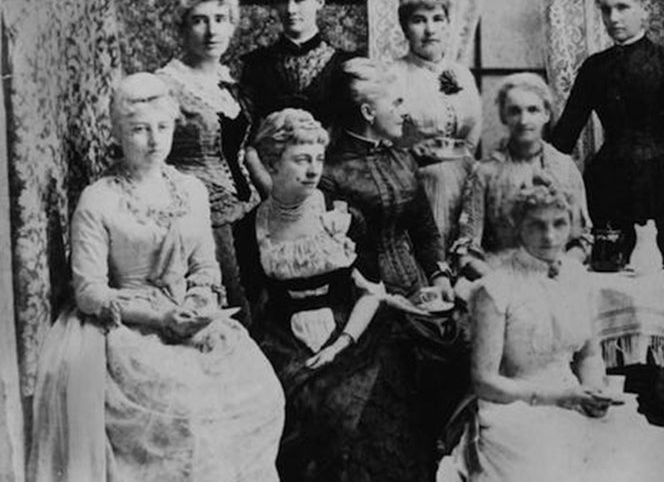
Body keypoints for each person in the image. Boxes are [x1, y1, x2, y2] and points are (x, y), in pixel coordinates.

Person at [27, 73, 284, 482]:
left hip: (188, 316)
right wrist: (159, 319)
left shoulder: (191, 190)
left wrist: (200, 304)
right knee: (182, 412)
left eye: (162, 128)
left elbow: (205, 267)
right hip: (127, 327)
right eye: (139, 130)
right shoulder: (99, 199)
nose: (153, 141)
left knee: (259, 392)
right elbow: (89, 291)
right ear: (117, 132)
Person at [461, 177, 664, 481]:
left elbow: (588, 354)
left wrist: (594, 392)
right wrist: (558, 397)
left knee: (649, 457)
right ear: (517, 226)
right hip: (516, 411)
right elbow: (484, 381)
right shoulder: (495, 288)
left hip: (575, 404)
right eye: (537, 225)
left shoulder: (577, 278)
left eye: (559, 223)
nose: (550, 235)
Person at [248, 108, 434, 481]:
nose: (314, 170)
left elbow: (372, 291)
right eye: (301, 160)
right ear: (272, 161)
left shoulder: (343, 218)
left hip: (353, 331)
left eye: (318, 158)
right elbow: (255, 299)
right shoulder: (249, 227)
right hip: (283, 339)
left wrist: (339, 344)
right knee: (287, 403)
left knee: (347, 409)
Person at [319, 57, 468, 474]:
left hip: (419, 293)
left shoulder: (402, 159)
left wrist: (439, 276)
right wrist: (388, 300)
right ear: (368, 112)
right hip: (359, 307)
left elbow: (424, 229)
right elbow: (334, 263)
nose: (405, 112)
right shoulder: (329, 173)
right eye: (396, 101)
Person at [548, 0, 664, 264]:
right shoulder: (594, 68)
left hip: (661, 184)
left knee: (655, 266)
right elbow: (564, 137)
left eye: (622, 7)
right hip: (607, 181)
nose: (614, 18)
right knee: (609, 265)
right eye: (606, 10)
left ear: (644, 10)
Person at [156, 0, 261, 324]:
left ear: (232, 24)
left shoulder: (227, 80)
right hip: (202, 219)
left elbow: (241, 149)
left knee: (261, 311)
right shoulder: (165, 85)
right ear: (182, 28)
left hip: (249, 211)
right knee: (231, 316)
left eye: (220, 19)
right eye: (199, 20)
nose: (212, 30)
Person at [454, 73, 591, 279]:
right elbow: (467, 248)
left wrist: (565, 266)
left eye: (533, 110)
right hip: (501, 272)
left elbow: (582, 240)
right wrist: (496, 281)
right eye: (514, 111)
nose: (524, 120)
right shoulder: (485, 172)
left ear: (546, 114)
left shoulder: (565, 167)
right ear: (503, 116)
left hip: (555, 273)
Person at [241, 0, 354, 196]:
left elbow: (350, 139)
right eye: (282, 0)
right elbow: (248, 139)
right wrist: (268, 187)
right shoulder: (256, 65)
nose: (290, 9)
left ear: (320, 2)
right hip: (270, 183)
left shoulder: (344, 66)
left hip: (333, 183)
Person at [390, 0, 483, 248]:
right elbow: (387, 141)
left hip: (466, 182)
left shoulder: (461, 74)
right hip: (418, 184)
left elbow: (473, 135)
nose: (430, 30)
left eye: (437, 19)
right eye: (419, 20)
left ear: (447, 24)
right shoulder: (393, 76)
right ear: (405, 27)